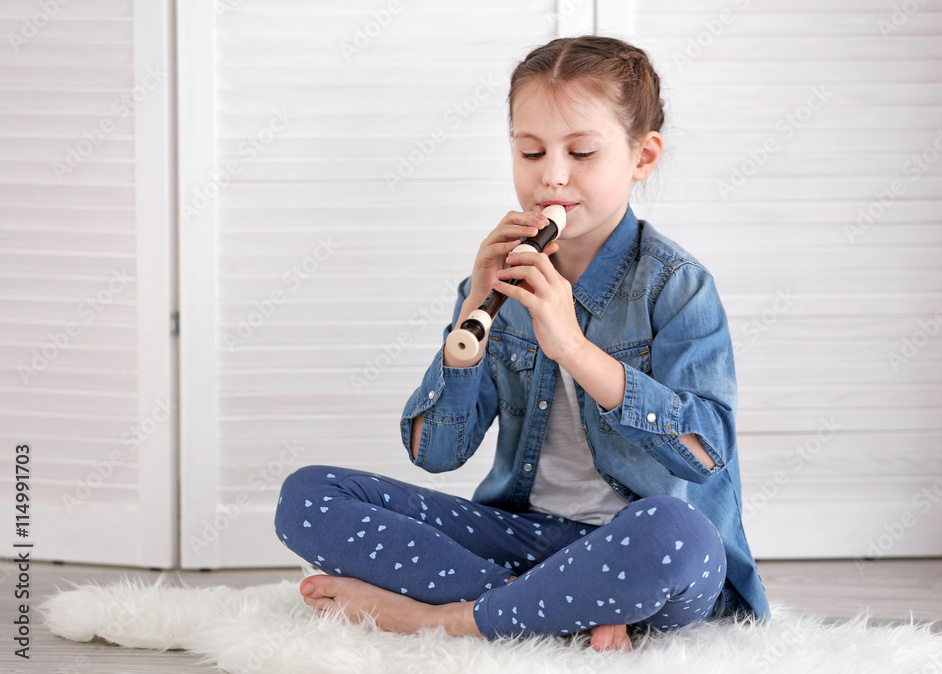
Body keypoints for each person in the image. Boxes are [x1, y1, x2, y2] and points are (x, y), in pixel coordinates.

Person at [274, 35, 769, 653]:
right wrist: (469, 326)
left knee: (679, 535)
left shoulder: (677, 286)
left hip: (644, 544)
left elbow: (705, 452)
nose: (552, 177)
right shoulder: (497, 281)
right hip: (526, 535)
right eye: (530, 152)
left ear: (642, 157)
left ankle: (437, 619)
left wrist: (576, 350)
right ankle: (553, 607)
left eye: (582, 152)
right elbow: (435, 453)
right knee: (309, 497)